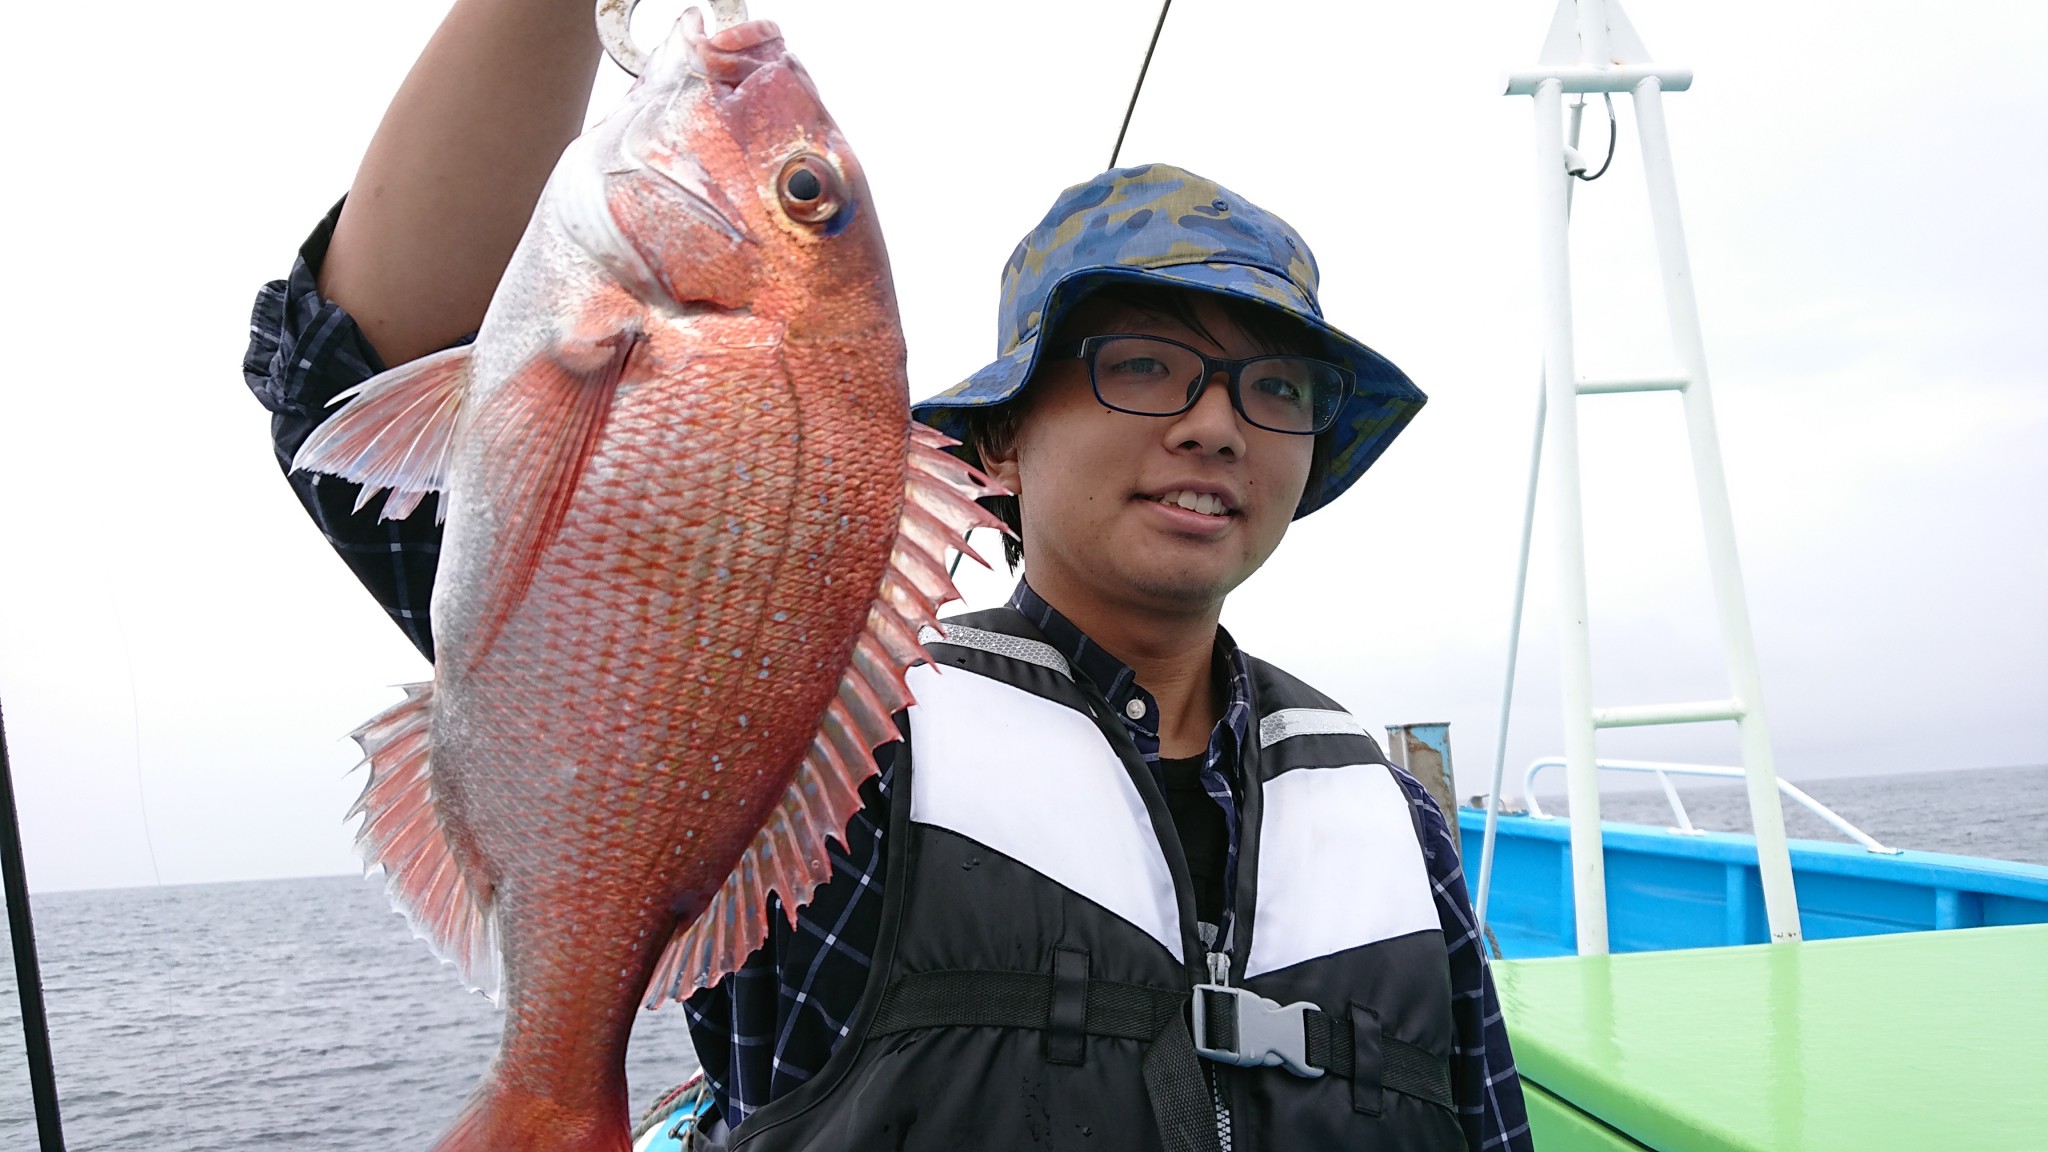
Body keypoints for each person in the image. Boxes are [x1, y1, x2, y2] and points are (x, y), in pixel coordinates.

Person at [243, 6, 1532, 1150]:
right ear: (1001, 446)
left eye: (1276, 388)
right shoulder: (848, 755)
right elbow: (346, 371)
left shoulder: (1397, 825)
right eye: (1142, 364)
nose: (1215, 426)